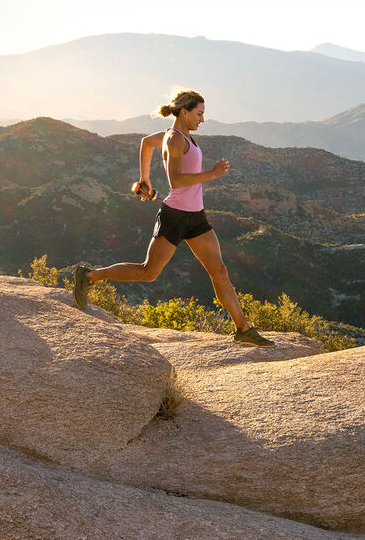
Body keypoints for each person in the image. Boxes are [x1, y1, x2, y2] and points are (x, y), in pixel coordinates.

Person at [73, 89, 274, 347]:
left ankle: (243, 329)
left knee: (219, 272)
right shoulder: (175, 140)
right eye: (199, 114)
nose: (202, 119)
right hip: (175, 216)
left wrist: (145, 178)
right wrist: (211, 174)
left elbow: (146, 142)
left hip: (196, 217)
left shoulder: (179, 135)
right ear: (184, 111)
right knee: (148, 273)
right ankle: (89, 275)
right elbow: (176, 181)